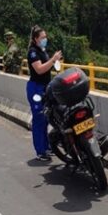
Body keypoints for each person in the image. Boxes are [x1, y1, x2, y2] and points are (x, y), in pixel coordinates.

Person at [26, 25, 63, 161]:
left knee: (47, 118)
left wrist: (54, 61)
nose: (45, 39)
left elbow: (47, 66)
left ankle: (47, 147)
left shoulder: (42, 50)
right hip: (36, 88)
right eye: (42, 37)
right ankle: (40, 151)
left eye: (45, 37)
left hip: (45, 88)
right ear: (36, 39)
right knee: (39, 120)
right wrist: (52, 59)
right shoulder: (33, 52)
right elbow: (40, 70)